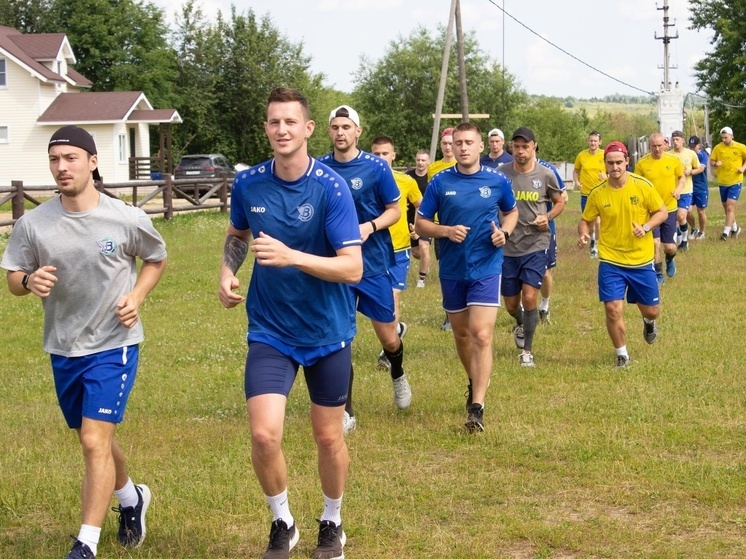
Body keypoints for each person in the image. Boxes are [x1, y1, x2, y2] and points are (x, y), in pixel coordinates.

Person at [1, 125, 168, 559]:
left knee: (94, 441)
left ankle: (86, 544)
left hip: (115, 342)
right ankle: (132, 497)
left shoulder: (126, 217)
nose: (62, 167)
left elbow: (156, 258)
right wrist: (27, 279)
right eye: (55, 159)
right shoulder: (33, 224)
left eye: (71, 158)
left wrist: (137, 295)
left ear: (92, 162)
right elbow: (13, 280)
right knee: (92, 437)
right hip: (63, 345)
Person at [219, 88, 363, 559]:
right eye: (273, 122)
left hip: (327, 331)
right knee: (263, 434)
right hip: (271, 330)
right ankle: (282, 519)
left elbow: (352, 268)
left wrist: (292, 257)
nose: (281, 130)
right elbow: (238, 233)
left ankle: (332, 520)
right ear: (267, 128)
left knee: (328, 436)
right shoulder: (249, 184)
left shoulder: (330, 187)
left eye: (290, 122)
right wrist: (227, 271)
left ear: (307, 129)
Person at [415, 122, 518, 432]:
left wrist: (505, 233)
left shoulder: (497, 180)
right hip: (452, 269)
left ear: (480, 147)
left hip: (487, 265)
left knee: (481, 335)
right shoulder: (439, 182)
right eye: (457, 142)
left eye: (468, 142)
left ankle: (477, 407)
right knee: (461, 335)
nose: (462, 148)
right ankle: (474, 381)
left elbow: (511, 212)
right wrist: (445, 231)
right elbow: (421, 224)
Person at [319, 105, 410, 435]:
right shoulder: (319, 168)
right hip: (336, 268)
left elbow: (395, 211)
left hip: (372, 265)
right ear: (328, 131)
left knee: (388, 336)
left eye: (346, 126)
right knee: (340, 338)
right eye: (335, 127)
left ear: (358, 131)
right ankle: (347, 410)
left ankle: (398, 372)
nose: (340, 132)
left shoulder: (375, 167)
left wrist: (370, 227)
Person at [578, 142, 668, 369]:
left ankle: (648, 322)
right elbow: (586, 220)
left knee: (652, 310)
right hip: (610, 260)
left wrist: (646, 227)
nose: (615, 167)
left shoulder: (642, 186)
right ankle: (622, 355)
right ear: (605, 164)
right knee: (612, 308)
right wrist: (583, 234)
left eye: (619, 162)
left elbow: (662, 212)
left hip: (641, 259)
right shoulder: (598, 193)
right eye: (611, 163)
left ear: (627, 162)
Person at [500, 127, 565, 367]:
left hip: (536, 243)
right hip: (507, 245)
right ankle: (521, 321)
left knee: (529, 297)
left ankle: (527, 351)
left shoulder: (546, 174)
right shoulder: (500, 174)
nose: (520, 151)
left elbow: (559, 202)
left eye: (525, 146)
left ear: (534, 146)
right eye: (516, 147)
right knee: (510, 304)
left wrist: (547, 217)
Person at [370, 135, 422, 369]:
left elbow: (422, 205)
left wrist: (418, 228)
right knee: (375, 301)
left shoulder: (406, 181)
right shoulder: (365, 179)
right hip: (372, 248)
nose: (381, 158)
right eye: (376, 154)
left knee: (392, 297)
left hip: (399, 248)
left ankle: (387, 350)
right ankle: (396, 330)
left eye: (385, 154)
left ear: (394, 155)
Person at [634, 132, 684, 284]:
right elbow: (636, 184)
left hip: (669, 209)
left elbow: (682, 177)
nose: (657, 149)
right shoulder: (642, 164)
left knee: (670, 247)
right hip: (651, 211)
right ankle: (658, 274)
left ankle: (669, 259)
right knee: (655, 243)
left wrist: (678, 189)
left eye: (659, 145)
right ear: (650, 146)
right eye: (654, 146)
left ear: (665, 144)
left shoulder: (674, 160)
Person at [428, 128, 458, 330]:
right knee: (446, 270)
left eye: (451, 143)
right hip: (441, 227)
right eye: (445, 144)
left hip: (464, 224)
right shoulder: (433, 168)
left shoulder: (465, 164)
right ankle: (450, 314)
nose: (448, 147)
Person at [537, 158, 569, 324]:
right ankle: (522, 312)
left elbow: (564, 197)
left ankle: (544, 305)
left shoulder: (547, 169)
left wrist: (545, 200)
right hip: (518, 230)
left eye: (525, 146)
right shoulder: (510, 170)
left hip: (544, 229)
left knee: (544, 271)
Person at [669, 130, 704, 251]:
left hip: (686, 190)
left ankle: (684, 241)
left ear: (683, 140)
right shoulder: (669, 155)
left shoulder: (691, 154)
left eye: (677, 139)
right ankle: (680, 239)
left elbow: (699, 168)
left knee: (681, 215)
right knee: (674, 218)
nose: (675, 142)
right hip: (672, 191)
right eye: (673, 140)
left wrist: (690, 172)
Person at [573, 131, 607, 258]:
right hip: (586, 194)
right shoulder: (582, 156)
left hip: (601, 193)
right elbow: (575, 171)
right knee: (589, 223)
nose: (593, 143)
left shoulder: (604, 155)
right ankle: (592, 239)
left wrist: (606, 177)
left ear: (600, 142)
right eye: (591, 141)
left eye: (595, 141)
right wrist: (577, 182)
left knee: (598, 222)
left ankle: (596, 246)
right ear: (588, 142)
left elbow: (616, 172)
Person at [709, 126, 746, 240]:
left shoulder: (740, 147)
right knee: (726, 208)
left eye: (726, 137)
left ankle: (725, 233)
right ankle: (735, 228)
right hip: (723, 182)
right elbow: (712, 161)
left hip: (735, 181)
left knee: (730, 207)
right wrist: (716, 164)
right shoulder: (718, 148)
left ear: (732, 136)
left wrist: (743, 168)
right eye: (722, 138)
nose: (724, 140)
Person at [406, 149, 432, 287]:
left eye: (423, 160)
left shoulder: (431, 177)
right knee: (416, 252)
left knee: (424, 247)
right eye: (418, 160)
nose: (420, 163)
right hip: (409, 217)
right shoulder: (408, 177)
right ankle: (425, 262)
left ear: (428, 162)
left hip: (426, 217)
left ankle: (421, 280)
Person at [686, 135, 710, 240]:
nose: (692, 148)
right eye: (690, 146)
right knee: (687, 210)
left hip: (701, 187)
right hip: (689, 187)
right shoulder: (687, 155)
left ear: (698, 145)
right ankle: (693, 228)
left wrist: (689, 172)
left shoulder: (703, 155)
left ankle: (702, 232)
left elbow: (701, 169)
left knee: (700, 211)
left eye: (694, 146)